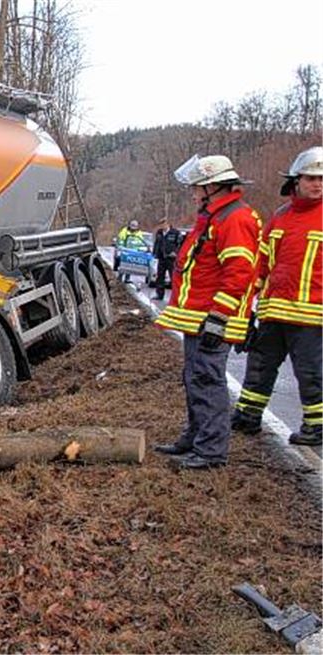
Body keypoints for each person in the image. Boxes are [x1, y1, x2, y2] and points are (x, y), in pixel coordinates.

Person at [152, 154, 261, 469]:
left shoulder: (234, 219)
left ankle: (211, 451)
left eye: (197, 187)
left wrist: (219, 318)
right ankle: (196, 437)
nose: (194, 193)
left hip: (211, 319)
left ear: (213, 186)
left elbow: (239, 272)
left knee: (207, 380)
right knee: (195, 379)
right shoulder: (216, 216)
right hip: (198, 318)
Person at [230, 146, 323, 446]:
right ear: (296, 180)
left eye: (321, 179)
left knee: (310, 373)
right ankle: (247, 416)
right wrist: (247, 306)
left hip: (311, 314)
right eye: (311, 178)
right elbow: (262, 263)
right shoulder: (281, 217)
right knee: (259, 367)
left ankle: (316, 427)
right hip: (272, 312)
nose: (317, 184)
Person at [152, 219, 185, 300]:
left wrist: (176, 252)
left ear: (168, 224)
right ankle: (159, 294)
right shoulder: (159, 233)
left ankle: (176, 296)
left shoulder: (175, 233)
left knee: (173, 277)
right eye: (161, 224)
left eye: (164, 224)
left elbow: (181, 244)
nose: (162, 226)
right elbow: (156, 244)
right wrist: (154, 253)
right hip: (161, 257)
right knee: (160, 277)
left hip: (171, 259)